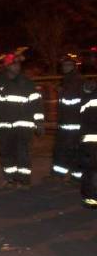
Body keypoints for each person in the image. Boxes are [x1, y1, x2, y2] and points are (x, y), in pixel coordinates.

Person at [0, 53, 43, 187]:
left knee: (23, 153)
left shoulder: (27, 83)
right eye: (14, 64)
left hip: (24, 126)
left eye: (18, 64)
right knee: (6, 152)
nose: (17, 66)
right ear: (7, 66)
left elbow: (36, 104)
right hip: (3, 126)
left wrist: (39, 122)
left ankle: (24, 180)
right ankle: (10, 178)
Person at [52, 54, 84, 181]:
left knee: (71, 149)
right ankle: (61, 174)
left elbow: (71, 100)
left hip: (73, 122)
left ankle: (75, 176)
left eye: (68, 65)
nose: (65, 67)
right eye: (64, 65)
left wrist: (61, 91)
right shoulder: (68, 79)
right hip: (67, 121)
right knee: (63, 148)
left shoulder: (75, 80)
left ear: (73, 67)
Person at [79, 80, 97, 208]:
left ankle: (91, 198)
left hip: (90, 140)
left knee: (90, 170)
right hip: (91, 139)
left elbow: (81, 117)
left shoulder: (88, 98)